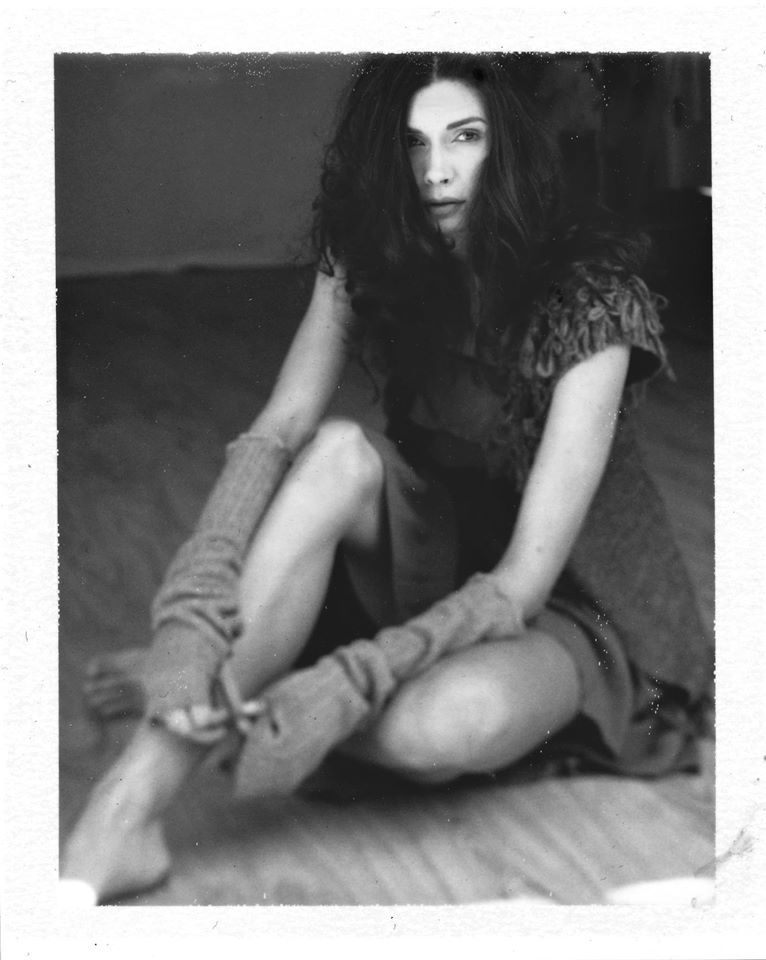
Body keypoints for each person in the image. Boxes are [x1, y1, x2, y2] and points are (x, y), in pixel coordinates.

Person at [60, 53, 713, 904]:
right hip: (434, 546)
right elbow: (279, 428)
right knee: (335, 451)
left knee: (437, 727)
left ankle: (250, 675)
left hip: (565, 605)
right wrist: (192, 616)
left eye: (465, 137)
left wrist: (350, 680)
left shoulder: (592, 302)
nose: (436, 171)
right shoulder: (369, 252)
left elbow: (521, 581)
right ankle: (124, 811)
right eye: (412, 144)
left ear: (508, 146)